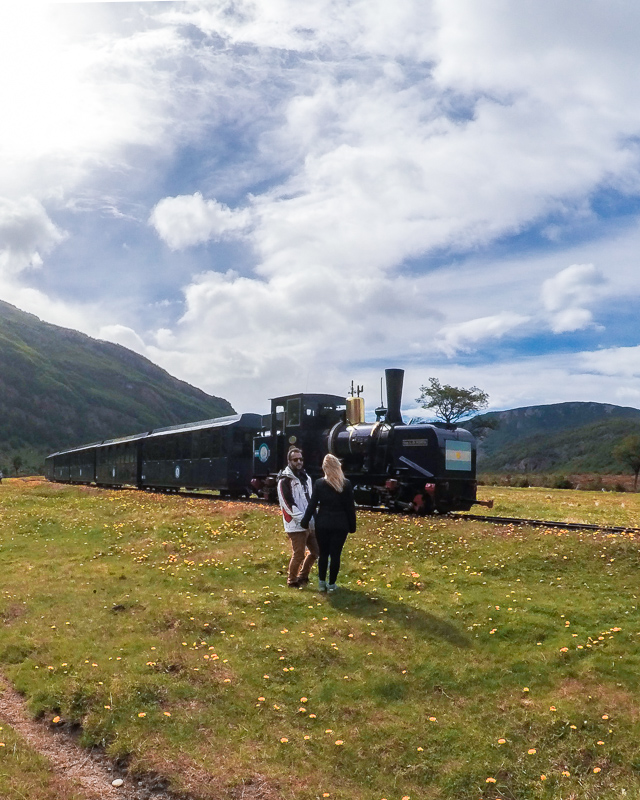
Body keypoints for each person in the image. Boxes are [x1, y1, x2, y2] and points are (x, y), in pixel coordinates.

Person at [301, 454, 356, 593]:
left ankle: (321, 583)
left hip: (323, 523)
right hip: (340, 524)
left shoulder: (319, 483)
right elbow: (350, 507)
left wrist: (305, 520)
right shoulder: (346, 484)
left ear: (325, 468)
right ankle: (332, 585)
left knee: (323, 554)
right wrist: (352, 526)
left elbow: (312, 504)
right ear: (338, 467)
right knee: (336, 555)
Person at [277, 447, 319, 587]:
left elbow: (311, 499)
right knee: (299, 554)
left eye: (301, 459)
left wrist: (313, 517)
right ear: (289, 461)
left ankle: (303, 576)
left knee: (316, 551)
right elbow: (287, 504)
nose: (299, 462)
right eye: (295, 460)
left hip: (310, 522)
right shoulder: (284, 481)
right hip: (295, 525)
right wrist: (302, 519)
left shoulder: (306, 478)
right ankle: (292, 580)